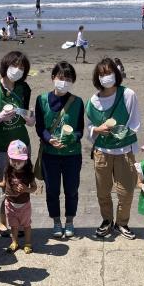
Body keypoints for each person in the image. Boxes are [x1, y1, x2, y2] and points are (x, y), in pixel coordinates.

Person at [85, 57, 141, 239]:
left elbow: (134, 123)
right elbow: (87, 126)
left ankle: (122, 223)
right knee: (103, 191)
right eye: (102, 74)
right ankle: (107, 221)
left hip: (124, 151)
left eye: (109, 73)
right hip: (102, 152)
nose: (105, 77)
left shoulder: (128, 94)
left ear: (116, 74)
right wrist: (97, 129)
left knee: (126, 191)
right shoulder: (93, 101)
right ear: (97, 78)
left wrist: (121, 132)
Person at [0, 51, 34, 236]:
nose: (17, 70)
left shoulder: (24, 88)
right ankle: (3, 221)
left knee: (21, 183)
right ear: (5, 66)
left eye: (21, 68)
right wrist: (1, 116)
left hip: (21, 147)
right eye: (14, 66)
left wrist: (29, 117)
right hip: (1, 147)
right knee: (4, 184)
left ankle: (20, 221)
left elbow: (28, 115)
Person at [35, 61, 84, 238]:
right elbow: (40, 127)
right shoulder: (41, 100)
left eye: (68, 79)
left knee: (71, 189)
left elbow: (80, 130)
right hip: (50, 155)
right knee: (52, 190)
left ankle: (70, 221)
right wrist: (49, 140)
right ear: (53, 78)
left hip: (72, 155)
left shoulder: (77, 102)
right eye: (61, 78)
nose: (64, 82)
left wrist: (72, 138)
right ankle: (56, 221)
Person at [1, 140, 37, 254]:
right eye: (13, 160)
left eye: (20, 160)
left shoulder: (28, 173)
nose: (16, 162)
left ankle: (27, 243)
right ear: (8, 158)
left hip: (24, 204)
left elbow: (34, 188)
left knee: (26, 226)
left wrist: (26, 189)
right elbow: (3, 183)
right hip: (10, 203)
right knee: (13, 225)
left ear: (26, 160)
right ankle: (14, 242)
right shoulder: (7, 170)